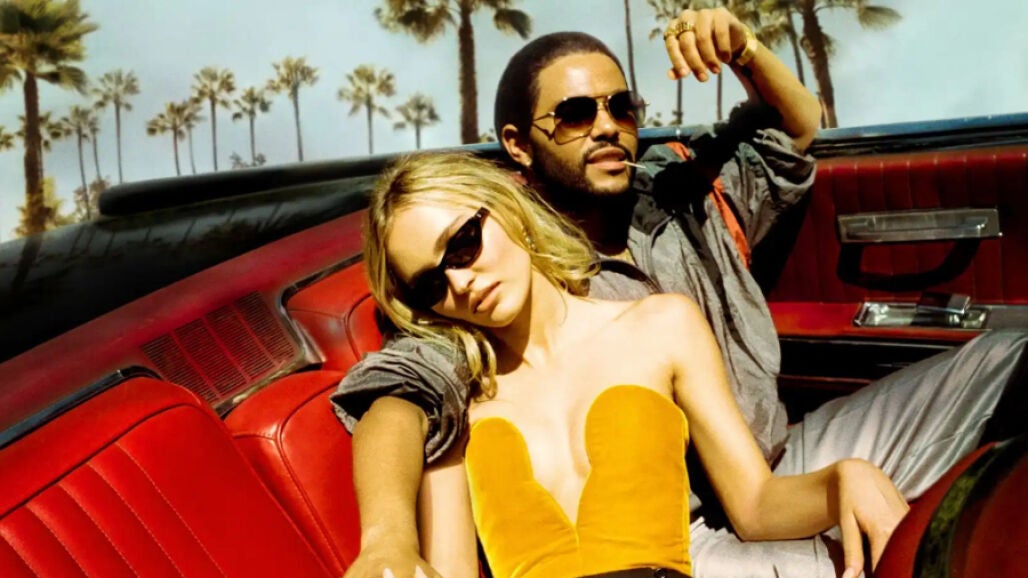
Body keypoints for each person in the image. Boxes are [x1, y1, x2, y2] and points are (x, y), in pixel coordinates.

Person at [334, 8, 1028, 578]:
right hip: (690, 522)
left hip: (778, 461)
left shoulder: (678, 194)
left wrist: (744, 49)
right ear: (518, 146)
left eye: (620, 106)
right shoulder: (494, 303)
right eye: (573, 114)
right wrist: (388, 538)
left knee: (1010, 356)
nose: (606, 125)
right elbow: (400, 393)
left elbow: (796, 134)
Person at [363, 151, 907, 578]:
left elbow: (756, 506)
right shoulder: (457, 401)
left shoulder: (661, 325)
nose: (460, 282)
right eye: (431, 283)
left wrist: (843, 479)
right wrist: (386, 542)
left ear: (506, 209)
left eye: (463, 244)